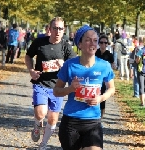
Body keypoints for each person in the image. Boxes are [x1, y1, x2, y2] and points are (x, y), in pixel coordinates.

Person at [53, 25, 115, 150]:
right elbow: (56, 91)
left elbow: (112, 88)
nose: (92, 43)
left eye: (95, 40)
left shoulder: (104, 66)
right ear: (79, 44)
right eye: (88, 40)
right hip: (71, 122)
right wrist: (70, 89)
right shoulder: (70, 65)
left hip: (93, 122)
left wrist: (100, 98)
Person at [25, 17, 76, 150]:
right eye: (55, 28)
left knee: (53, 120)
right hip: (40, 83)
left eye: (60, 28)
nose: (58, 31)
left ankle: (43, 145)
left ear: (63, 30)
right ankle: (37, 124)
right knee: (40, 113)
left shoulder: (66, 47)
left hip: (57, 87)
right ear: (49, 29)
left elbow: (74, 67)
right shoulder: (40, 42)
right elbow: (28, 56)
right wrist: (31, 71)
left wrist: (63, 65)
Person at [95, 35, 115, 120]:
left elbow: (113, 65)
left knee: (103, 96)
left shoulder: (109, 55)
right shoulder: (95, 53)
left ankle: (101, 117)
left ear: (107, 44)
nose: (103, 44)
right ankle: (94, 115)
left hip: (104, 78)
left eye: (105, 43)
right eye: (101, 42)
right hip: (95, 77)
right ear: (99, 43)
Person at [136, 36, 145, 107]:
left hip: (141, 71)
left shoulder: (141, 50)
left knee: (141, 86)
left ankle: (142, 103)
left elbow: (137, 60)